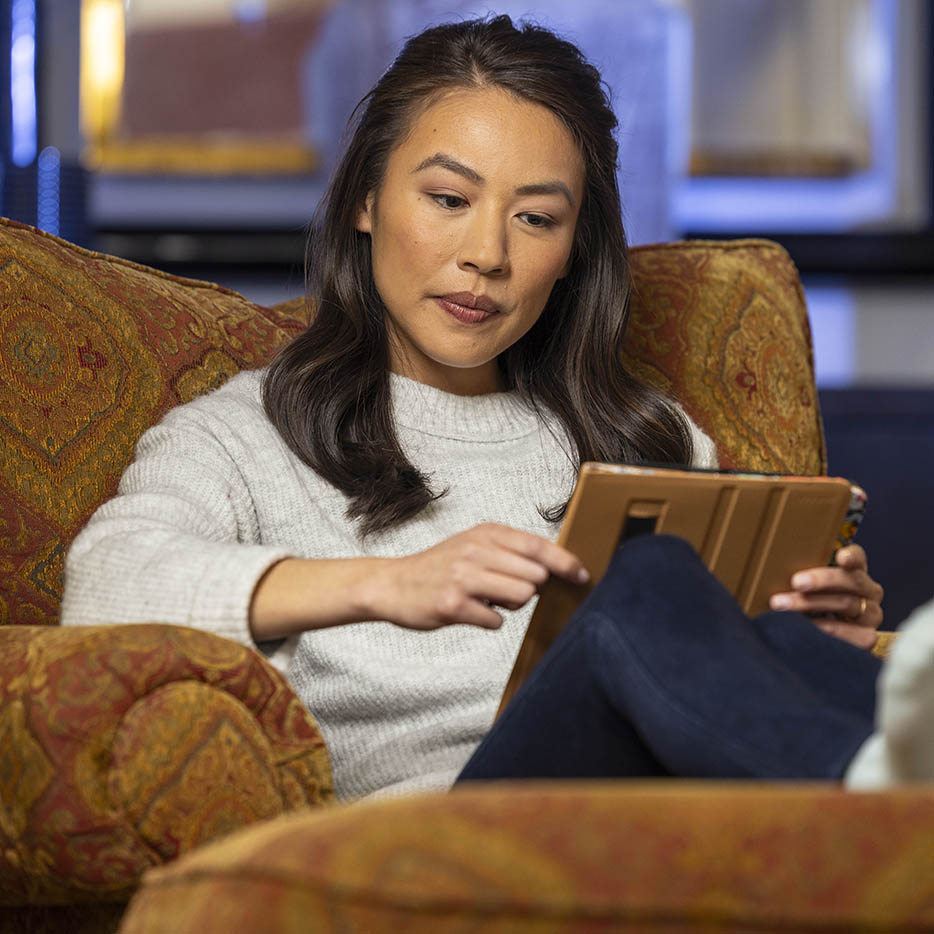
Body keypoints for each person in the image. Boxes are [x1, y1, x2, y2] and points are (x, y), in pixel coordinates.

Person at [62, 15, 914, 800]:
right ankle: (885, 789)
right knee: (650, 581)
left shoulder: (650, 438)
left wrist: (803, 628)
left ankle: (884, 766)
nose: (486, 255)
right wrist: (386, 584)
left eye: (536, 218)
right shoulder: (244, 436)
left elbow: (707, 693)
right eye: (447, 200)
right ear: (366, 200)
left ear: (572, 252)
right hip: (444, 834)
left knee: (763, 632)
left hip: (677, 824)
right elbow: (102, 586)